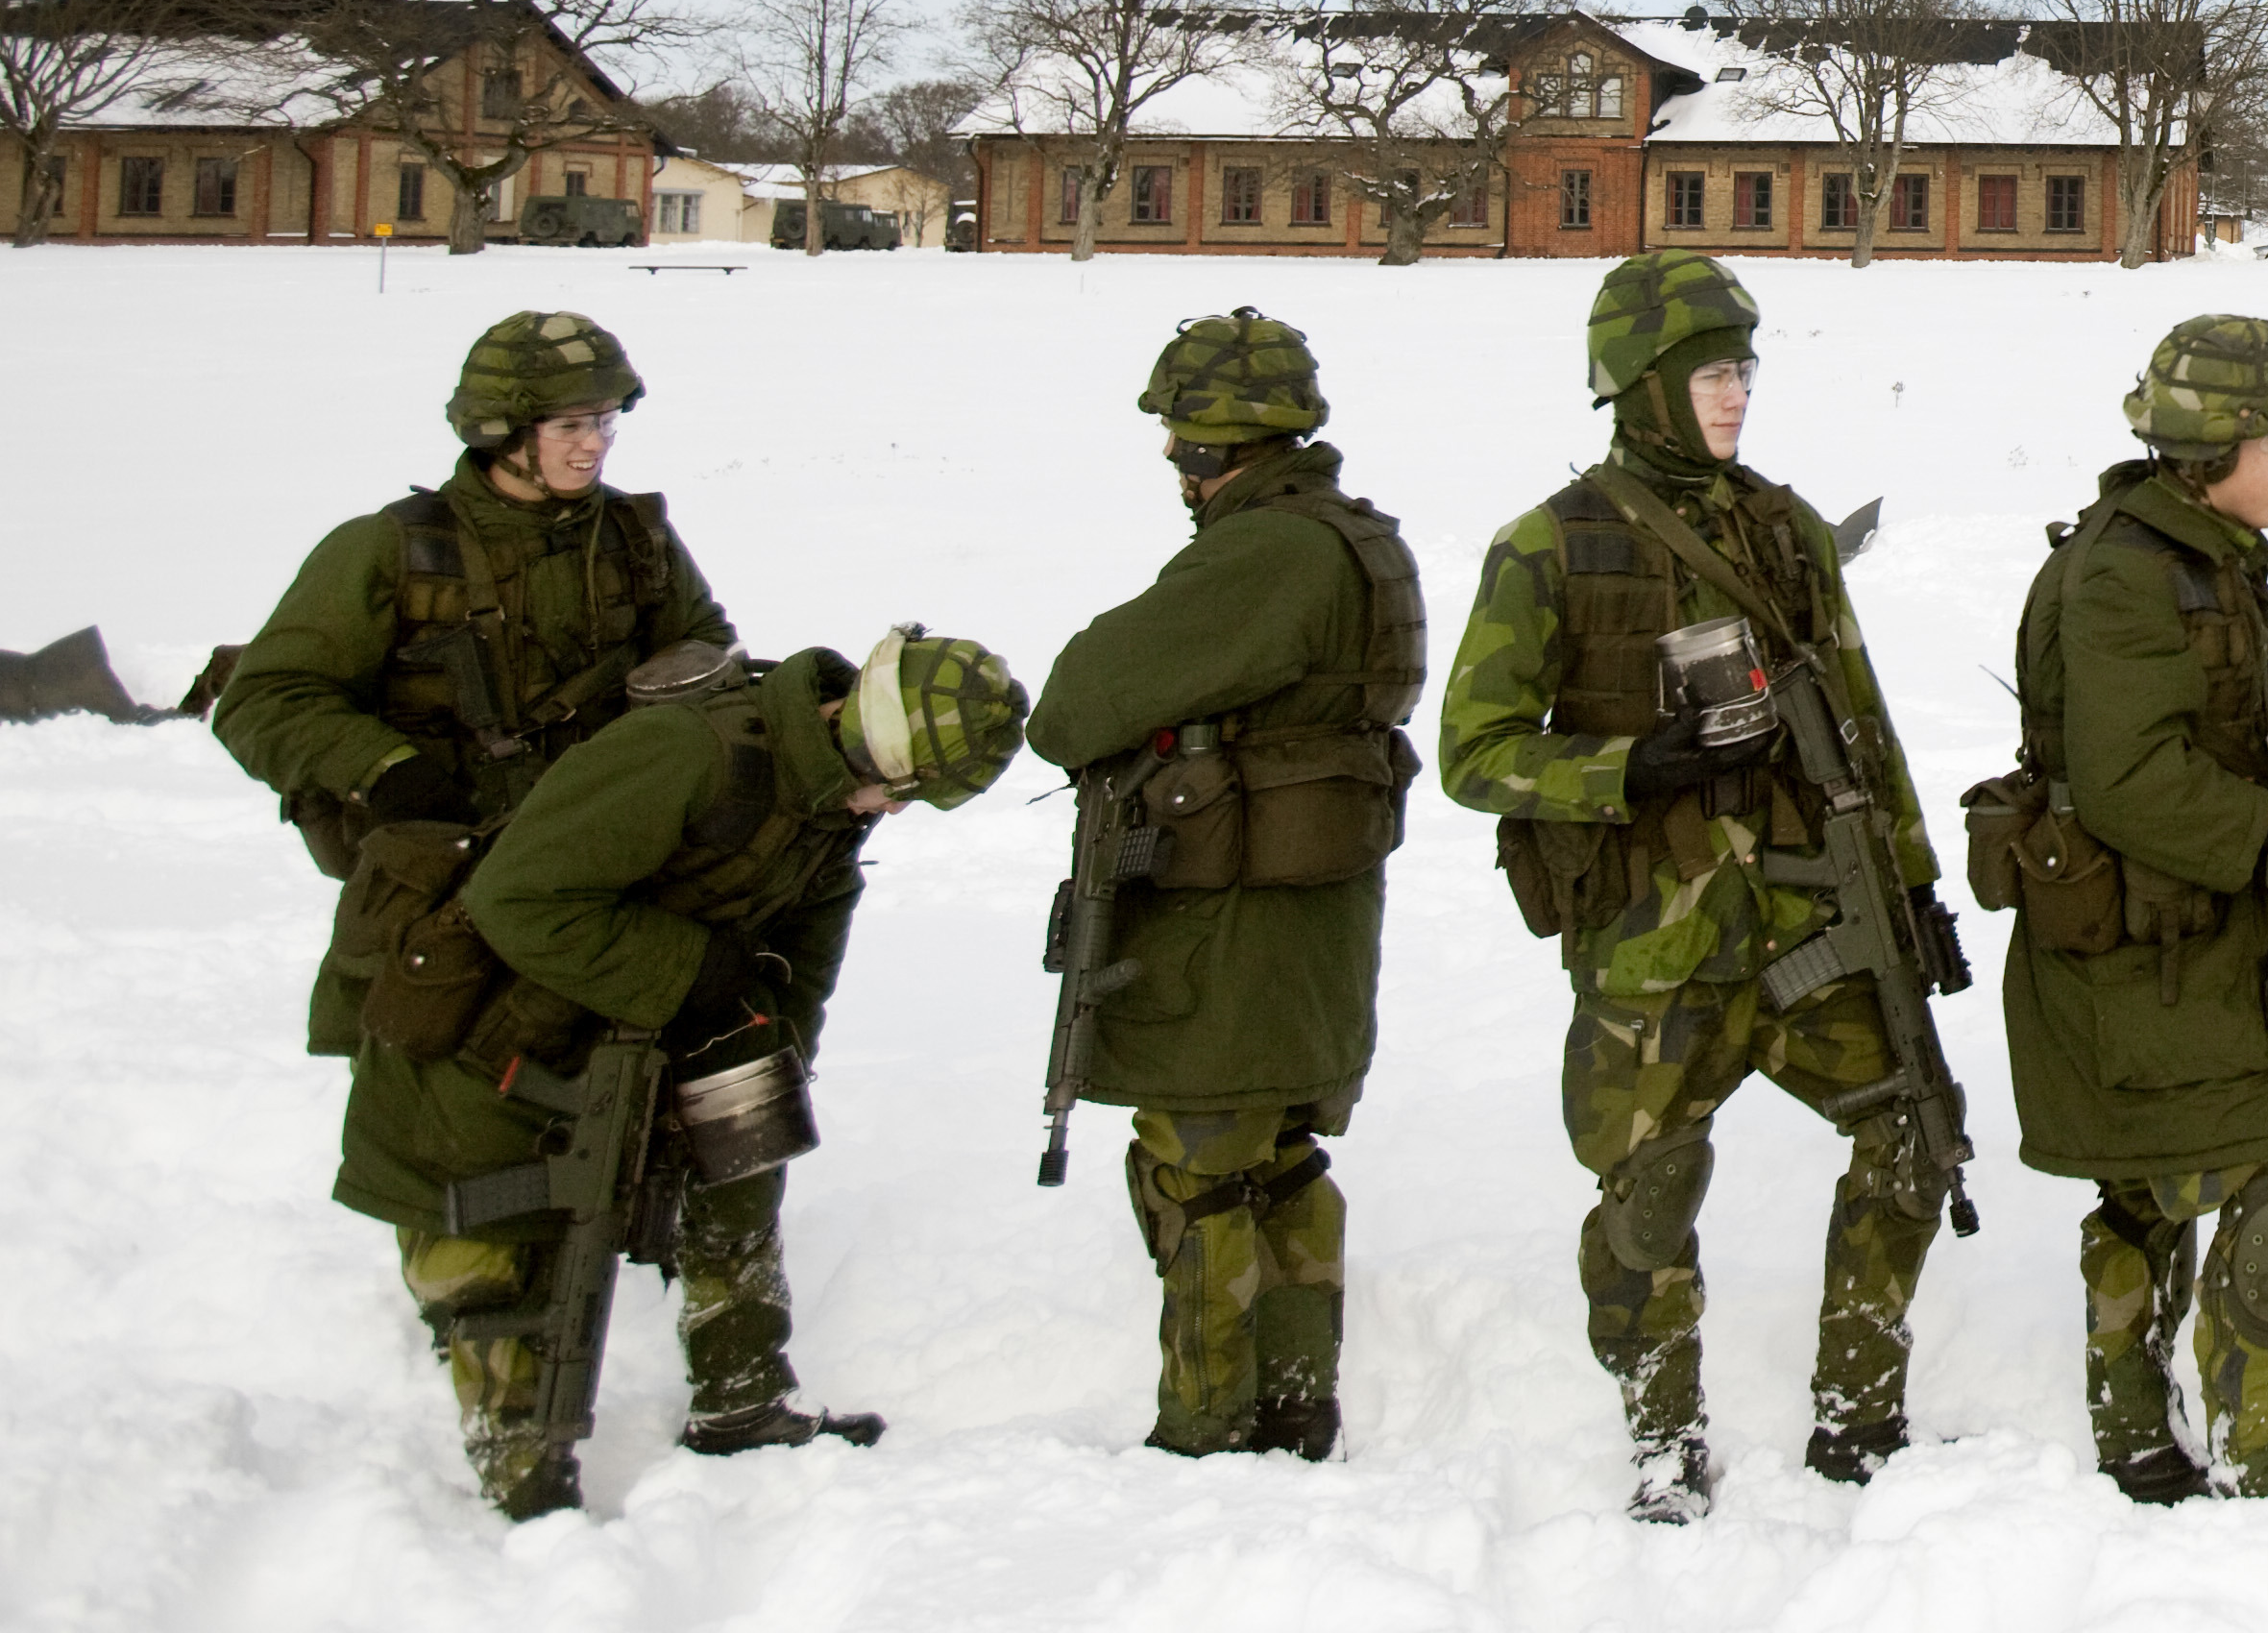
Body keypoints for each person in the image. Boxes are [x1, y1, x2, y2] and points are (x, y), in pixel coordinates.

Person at [211, 310, 841, 1471]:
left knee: (712, 1084)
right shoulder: (392, 551)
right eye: (570, 424)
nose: (593, 444)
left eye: (604, 420)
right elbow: (264, 699)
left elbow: (713, 668)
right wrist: (385, 772)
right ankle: (484, 1320)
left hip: (607, 872)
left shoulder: (640, 547)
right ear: (499, 429)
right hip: (450, 881)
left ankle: (739, 1370)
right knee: (454, 1116)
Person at [1439, 249, 1956, 1520]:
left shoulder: (1783, 529)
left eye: (1743, 369)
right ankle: (1663, 1433)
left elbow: (1865, 721)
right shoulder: (1548, 547)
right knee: (1649, 1189)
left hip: (1805, 919)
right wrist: (1632, 764)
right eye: (1711, 372)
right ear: (1643, 384)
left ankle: (1858, 1412)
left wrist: (1913, 885)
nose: (1736, 395)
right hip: (1652, 942)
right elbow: (1473, 752)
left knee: (1913, 1131)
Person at [345, 627, 1022, 1515]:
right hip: (489, 1030)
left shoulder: (826, 809)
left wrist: (762, 1056)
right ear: (863, 738)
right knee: (486, 1268)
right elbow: (514, 900)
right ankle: (521, 1468)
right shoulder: (689, 754)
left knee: (749, 1137)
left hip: (632, 1011)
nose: (891, 811)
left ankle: (742, 1393)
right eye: (897, 789)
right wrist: (693, 975)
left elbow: (801, 971)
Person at [1996, 315, 2268, 1504]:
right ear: (2213, 445)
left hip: (2180, 941)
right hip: (2134, 958)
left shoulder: (2198, 548)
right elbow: (2126, 779)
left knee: (2147, 1189)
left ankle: (2129, 1429)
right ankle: (2260, 1477)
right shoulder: (2125, 571)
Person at [1030, 309, 1425, 1461]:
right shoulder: (1354, 536)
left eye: (1183, 438)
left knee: (1198, 1169)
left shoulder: (1269, 552)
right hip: (1313, 932)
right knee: (1283, 1164)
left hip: (1232, 938)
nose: (1171, 461)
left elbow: (1074, 707)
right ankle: (1296, 1409)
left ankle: (1206, 1431)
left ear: (1217, 441)